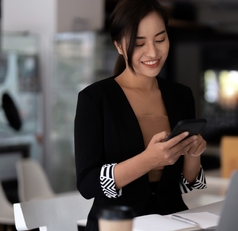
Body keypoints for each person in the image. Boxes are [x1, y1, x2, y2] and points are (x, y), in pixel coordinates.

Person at [74, 0, 207, 230]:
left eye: (160, 39)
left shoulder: (181, 95)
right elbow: (87, 184)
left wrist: (194, 154)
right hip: (117, 226)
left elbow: (185, 184)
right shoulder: (95, 99)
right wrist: (148, 160)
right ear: (118, 46)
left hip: (173, 223)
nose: (153, 52)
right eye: (139, 43)